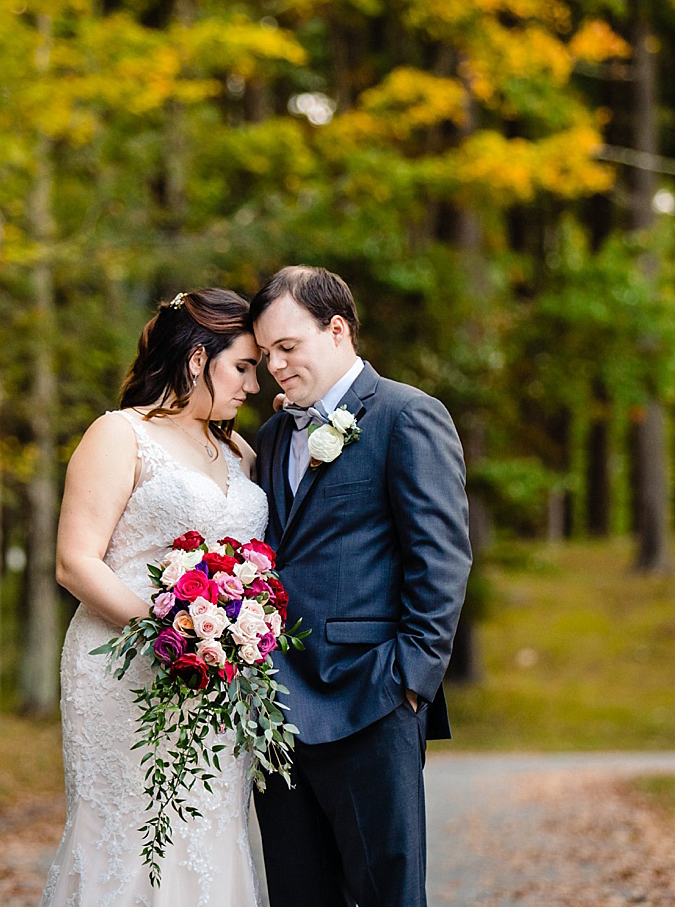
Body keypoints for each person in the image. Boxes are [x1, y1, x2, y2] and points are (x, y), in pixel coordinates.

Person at [249, 265, 470, 906]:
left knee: (385, 894)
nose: (276, 367)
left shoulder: (408, 416)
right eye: (265, 355)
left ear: (337, 329)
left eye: (288, 348)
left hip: (372, 696)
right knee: (300, 895)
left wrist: (411, 680)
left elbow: (443, 557)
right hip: (277, 710)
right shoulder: (271, 434)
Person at [41, 288, 268, 907]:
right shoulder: (120, 434)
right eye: (243, 366)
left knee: (210, 830)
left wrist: (228, 638)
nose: (254, 383)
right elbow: (75, 561)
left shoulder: (239, 452)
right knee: (128, 832)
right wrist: (173, 632)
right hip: (123, 666)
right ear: (198, 359)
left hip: (217, 681)